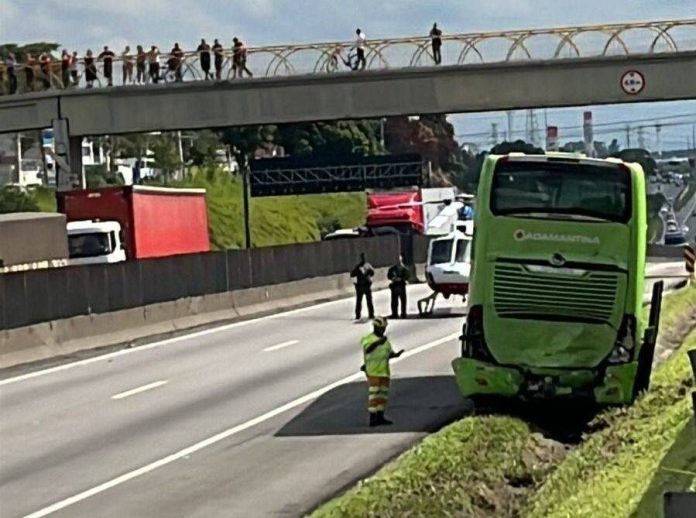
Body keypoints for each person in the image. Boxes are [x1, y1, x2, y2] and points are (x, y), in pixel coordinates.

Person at [361, 316, 404, 427]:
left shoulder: (385, 341)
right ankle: (372, 418)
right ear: (375, 327)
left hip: (384, 372)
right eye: (381, 328)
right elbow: (368, 349)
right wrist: (378, 343)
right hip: (373, 371)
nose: (383, 330)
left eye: (384, 328)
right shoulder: (368, 338)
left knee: (382, 396)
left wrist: (396, 355)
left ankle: (380, 416)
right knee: (374, 395)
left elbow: (388, 354)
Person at [350, 252, 375, 320]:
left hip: (367, 285)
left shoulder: (368, 265)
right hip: (360, 286)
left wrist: (368, 272)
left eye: (364, 257)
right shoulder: (358, 266)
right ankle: (358, 315)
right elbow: (352, 274)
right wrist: (358, 271)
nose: (363, 259)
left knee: (369, 301)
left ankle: (371, 314)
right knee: (359, 301)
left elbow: (372, 273)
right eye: (362, 258)